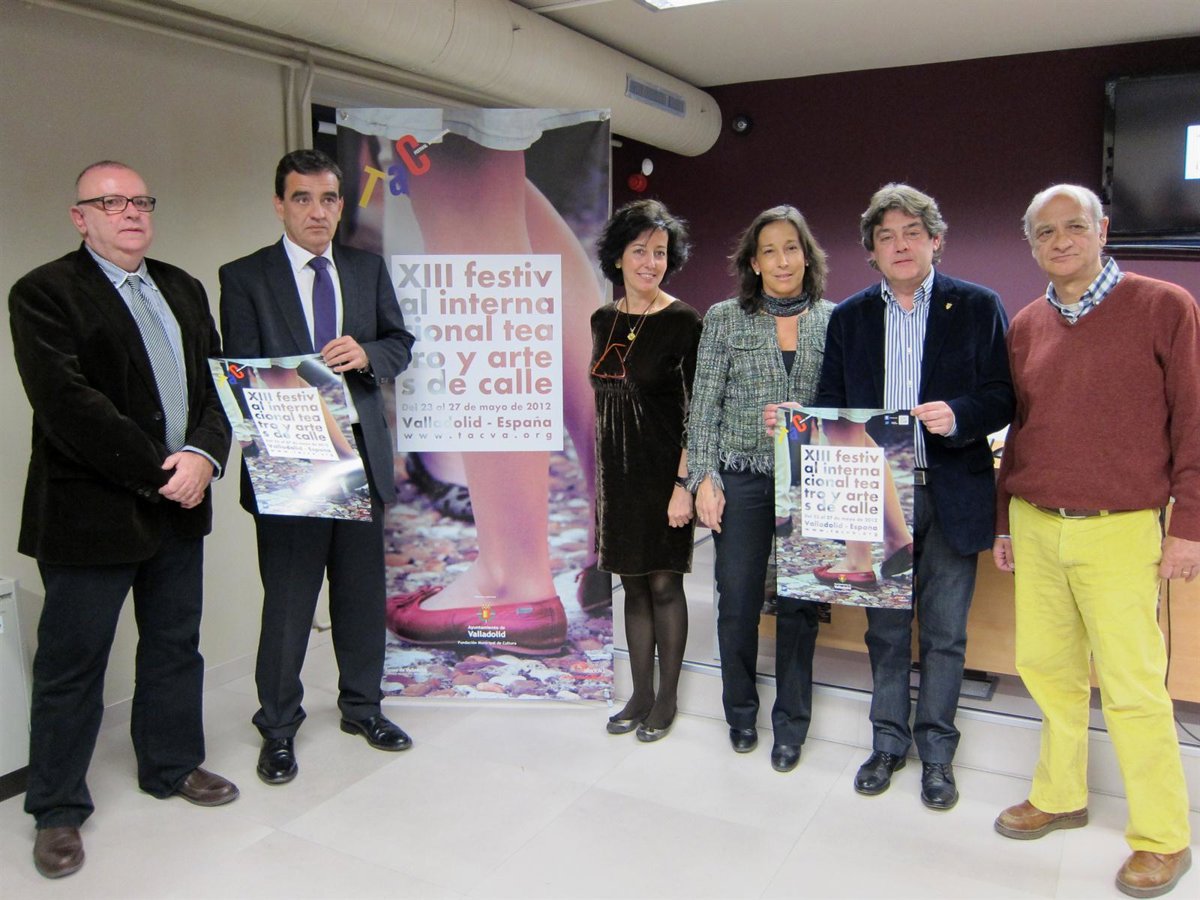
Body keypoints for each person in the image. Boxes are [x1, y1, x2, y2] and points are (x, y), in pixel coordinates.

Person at [9, 161, 237, 879]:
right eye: (111, 202)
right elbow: (69, 405)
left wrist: (204, 455)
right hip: (90, 514)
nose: (131, 212)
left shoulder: (182, 286)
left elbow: (218, 385)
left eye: (140, 200)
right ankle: (56, 808)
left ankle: (171, 764)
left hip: (182, 505)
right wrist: (165, 473)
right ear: (80, 218)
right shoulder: (43, 293)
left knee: (174, 645)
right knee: (72, 665)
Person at [993, 184, 1196, 898]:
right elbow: (1020, 429)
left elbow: (1193, 421)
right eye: (1044, 232)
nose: (1061, 241)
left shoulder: (1164, 306)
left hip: (1122, 528)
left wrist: (1189, 528)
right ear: (1033, 246)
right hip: (1037, 521)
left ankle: (1163, 836)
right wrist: (1003, 519)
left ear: (1102, 230)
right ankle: (1060, 795)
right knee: (1048, 671)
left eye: (1073, 226)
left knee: (1134, 685)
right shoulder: (1026, 325)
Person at [219, 149, 416, 786]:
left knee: (360, 599)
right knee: (289, 604)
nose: (317, 212)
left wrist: (368, 354)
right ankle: (278, 728)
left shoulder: (365, 268)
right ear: (280, 204)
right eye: (302, 198)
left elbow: (400, 343)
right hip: (291, 462)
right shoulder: (244, 277)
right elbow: (241, 367)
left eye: (328, 199)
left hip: (362, 456)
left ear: (340, 204)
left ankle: (363, 709)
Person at [814, 184, 1013, 810]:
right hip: (877, 497)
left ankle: (937, 754)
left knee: (947, 634)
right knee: (886, 632)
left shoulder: (978, 306)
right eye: (886, 236)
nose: (899, 245)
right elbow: (830, 404)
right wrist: (800, 422)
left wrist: (960, 415)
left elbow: (1003, 396)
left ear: (935, 240)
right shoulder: (849, 317)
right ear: (872, 251)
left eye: (911, 233)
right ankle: (887, 743)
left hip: (952, 490)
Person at [689, 205, 833, 773]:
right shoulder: (725, 319)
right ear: (754, 262)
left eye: (791, 248)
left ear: (806, 256)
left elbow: (851, 405)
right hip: (742, 475)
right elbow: (703, 407)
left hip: (810, 479)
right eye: (769, 250)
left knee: (800, 605)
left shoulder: (834, 319)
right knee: (738, 599)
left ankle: (791, 725)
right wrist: (703, 478)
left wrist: (810, 418)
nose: (781, 260)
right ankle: (741, 713)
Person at [591, 199, 701, 741]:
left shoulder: (684, 321)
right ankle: (639, 694)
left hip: (664, 478)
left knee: (663, 587)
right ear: (618, 257)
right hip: (617, 480)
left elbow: (698, 413)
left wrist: (684, 485)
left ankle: (668, 699)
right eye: (639, 251)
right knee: (631, 588)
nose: (650, 263)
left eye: (660, 252)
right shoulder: (602, 319)